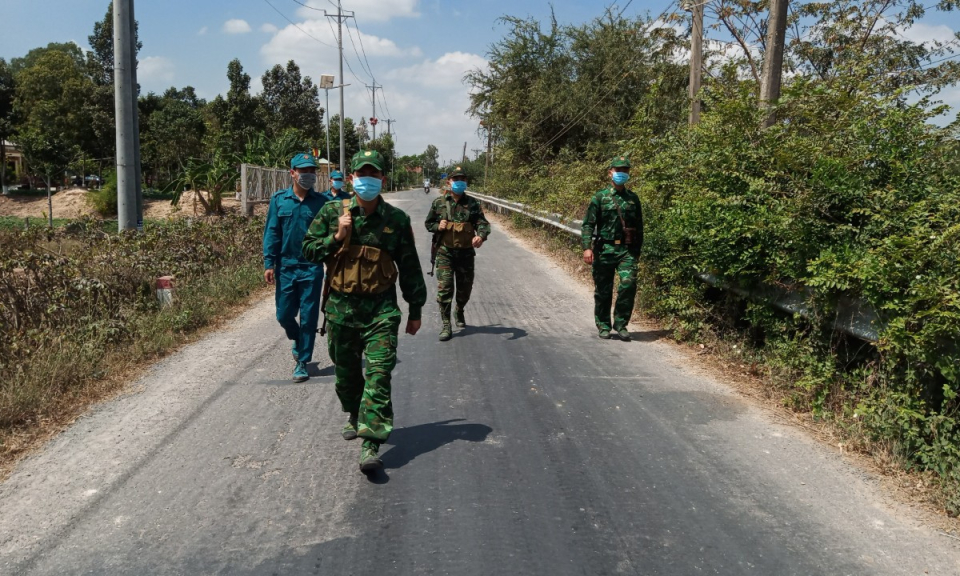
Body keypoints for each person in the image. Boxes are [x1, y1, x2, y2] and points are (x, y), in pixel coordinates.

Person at [302, 149, 427, 473]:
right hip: (342, 310)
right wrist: (337, 236)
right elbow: (309, 250)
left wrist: (415, 309)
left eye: (373, 175)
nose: (366, 180)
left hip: (381, 312)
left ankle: (371, 442)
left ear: (382, 179)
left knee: (378, 375)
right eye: (361, 174)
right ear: (352, 178)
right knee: (346, 377)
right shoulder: (333, 212)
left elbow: (410, 266)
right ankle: (354, 413)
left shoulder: (396, 221)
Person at [263, 152, 328, 382]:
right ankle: (297, 339)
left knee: (309, 317)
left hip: (311, 267)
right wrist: (268, 263)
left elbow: (331, 235)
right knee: (283, 314)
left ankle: (302, 360)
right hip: (286, 266)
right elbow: (272, 232)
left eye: (312, 171)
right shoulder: (279, 200)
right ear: (293, 173)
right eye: (303, 171)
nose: (308, 175)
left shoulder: (322, 202)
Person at [423, 166, 491, 341]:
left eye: (462, 179)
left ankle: (459, 309)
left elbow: (482, 223)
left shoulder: (472, 204)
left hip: (466, 254)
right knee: (445, 289)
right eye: (456, 179)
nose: (459, 182)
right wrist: (438, 226)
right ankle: (446, 324)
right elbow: (428, 223)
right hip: (445, 252)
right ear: (449, 182)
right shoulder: (439, 203)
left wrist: (481, 237)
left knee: (464, 289)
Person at [581, 155, 644, 341]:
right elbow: (587, 225)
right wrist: (587, 247)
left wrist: (637, 251)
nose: (622, 174)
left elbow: (639, 227)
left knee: (628, 284)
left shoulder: (633, 198)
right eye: (618, 170)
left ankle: (621, 323)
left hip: (627, 250)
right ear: (611, 172)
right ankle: (603, 325)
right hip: (604, 249)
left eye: (625, 170)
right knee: (603, 290)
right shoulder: (600, 197)